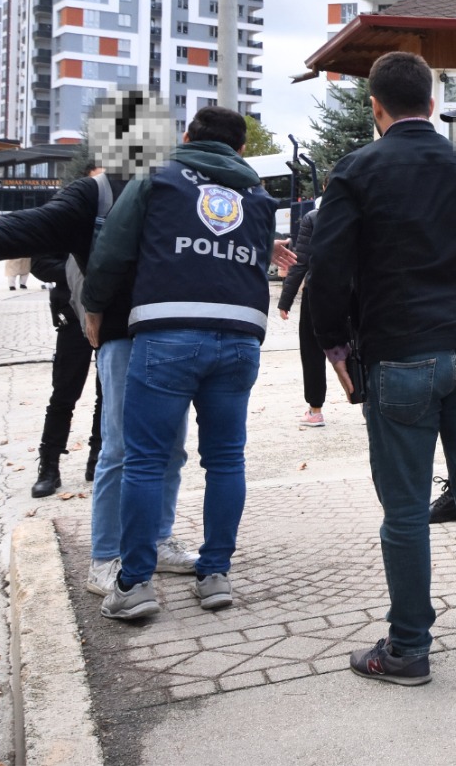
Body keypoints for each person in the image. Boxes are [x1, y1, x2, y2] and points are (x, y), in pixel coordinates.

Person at [307, 52, 456, 684]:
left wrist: (334, 348)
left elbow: (326, 270)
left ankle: (409, 649)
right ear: (434, 105)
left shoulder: (357, 170)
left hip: (399, 355)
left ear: (376, 108)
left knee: (406, 510)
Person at [0, 159, 209, 592]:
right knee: (118, 449)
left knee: (171, 449)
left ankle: (157, 540)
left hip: (171, 334)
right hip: (118, 332)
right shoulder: (93, 193)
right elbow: (41, 223)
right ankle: (107, 556)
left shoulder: (174, 187)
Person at [81, 105, 279, 621]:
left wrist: (96, 308)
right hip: (240, 339)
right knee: (227, 459)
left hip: (167, 334)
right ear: (240, 150)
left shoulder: (159, 178)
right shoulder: (257, 194)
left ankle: (135, 582)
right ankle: (214, 574)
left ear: (187, 137)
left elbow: (112, 250)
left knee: (145, 460)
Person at [28, 248, 103, 496]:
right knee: (63, 394)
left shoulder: (117, 211)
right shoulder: (65, 215)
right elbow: (40, 264)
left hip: (110, 313)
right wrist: (86, 273)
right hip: (72, 315)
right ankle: (49, 465)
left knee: (109, 394)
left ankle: (98, 458)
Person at [277, 203, 326, 427]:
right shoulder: (362, 210)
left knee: (312, 350)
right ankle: (368, 404)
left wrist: (285, 300)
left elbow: (301, 261)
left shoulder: (313, 217)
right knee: (356, 347)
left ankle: (315, 411)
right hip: (354, 290)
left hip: (318, 292)